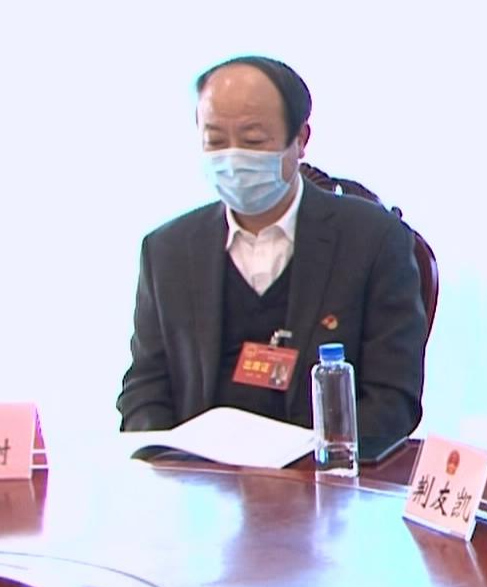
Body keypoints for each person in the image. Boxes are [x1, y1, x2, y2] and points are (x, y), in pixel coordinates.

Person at [118, 56, 428, 443]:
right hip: (200, 473)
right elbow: (144, 391)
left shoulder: (373, 240)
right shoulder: (167, 250)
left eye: (252, 141)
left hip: (322, 471)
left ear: (300, 140)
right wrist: (170, 458)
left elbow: (393, 400)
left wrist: (313, 462)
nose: (232, 159)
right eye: (215, 141)